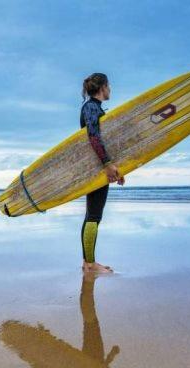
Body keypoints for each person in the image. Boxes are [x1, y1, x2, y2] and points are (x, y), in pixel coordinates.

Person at [80, 72, 125, 274]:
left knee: (92, 215)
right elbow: (93, 136)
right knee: (93, 216)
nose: (110, 90)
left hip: (98, 167)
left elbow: (101, 140)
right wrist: (107, 164)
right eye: (109, 86)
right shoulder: (91, 107)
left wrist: (116, 168)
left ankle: (87, 262)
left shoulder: (94, 108)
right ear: (103, 87)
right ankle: (90, 264)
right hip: (96, 169)